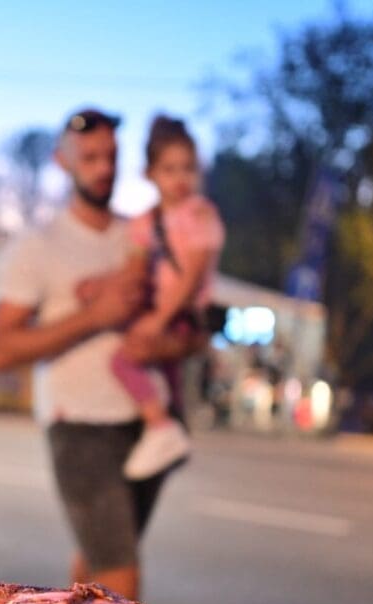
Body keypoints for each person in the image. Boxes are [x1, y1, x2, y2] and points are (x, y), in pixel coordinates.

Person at [0, 108, 201, 600]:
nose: (103, 168)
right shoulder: (38, 245)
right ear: (62, 161)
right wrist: (94, 316)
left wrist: (166, 343)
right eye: (89, 157)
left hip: (149, 426)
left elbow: (194, 333)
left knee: (95, 570)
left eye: (111, 156)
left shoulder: (143, 235)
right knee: (121, 579)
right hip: (80, 426)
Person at [95, 115, 225, 480]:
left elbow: (192, 277)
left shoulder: (200, 215)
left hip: (182, 315)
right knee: (164, 377)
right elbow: (134, 270)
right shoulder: (145, 222)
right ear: (149, 173)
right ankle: (171, 429)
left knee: (124, 359)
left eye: (188, 168)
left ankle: (161, 428)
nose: (180, 178)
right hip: (158, 311)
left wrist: (159, 320)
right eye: (169, 169)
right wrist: (98, 286)